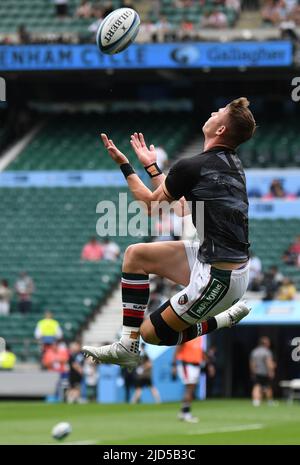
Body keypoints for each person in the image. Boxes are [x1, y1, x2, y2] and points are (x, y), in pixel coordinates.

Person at [82, 97, 255, 368]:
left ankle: (222, 319)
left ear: (221, 130)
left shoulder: (194, 166)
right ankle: (128, 344)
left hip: (220, 278)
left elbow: (152, 207)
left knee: (152, 334)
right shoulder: (230, 164)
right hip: (210, 259)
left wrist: (125, 166)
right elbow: (184, 208)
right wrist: (152, 168)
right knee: (136, 255)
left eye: (218, 112)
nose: (212, 111)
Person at [172, 336, 204, 423]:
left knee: (191, 389)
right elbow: (178, 347)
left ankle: (183, 412)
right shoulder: (187, 335)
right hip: (186, 364)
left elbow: (199, 350)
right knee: (189, 389)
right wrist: (174, 364)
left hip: (196, 365)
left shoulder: (199, 337)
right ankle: (187, 413)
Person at [250, 336, 276, 407]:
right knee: (268, 387)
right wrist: (271, 371)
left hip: (257, 372)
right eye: (268, 342)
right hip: (265, 372)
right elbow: (269, 363)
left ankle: (256, 402)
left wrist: (253, 372)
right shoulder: (267, 352)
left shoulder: (255, 351)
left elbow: (252, 363)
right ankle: (270, 402)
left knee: (256, 386)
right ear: (265, 343)